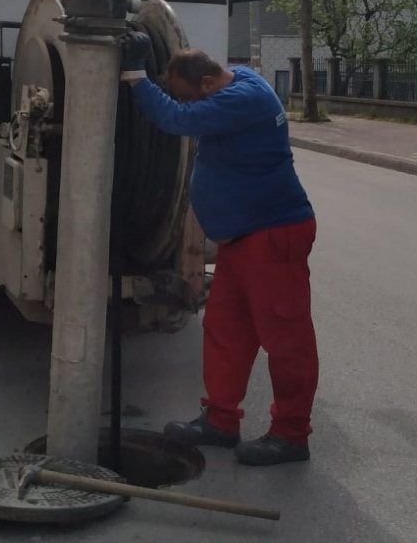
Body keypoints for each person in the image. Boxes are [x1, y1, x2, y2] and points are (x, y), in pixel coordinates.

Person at [120, 39, 318, 467]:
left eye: (190, 96)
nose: (187, 105)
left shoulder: (243, 97)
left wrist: (135, 75)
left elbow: (175, 120)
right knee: (226, 329)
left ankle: (291, 434)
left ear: (208, 83)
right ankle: (221, 421)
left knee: (286, 339)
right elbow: (186, 108)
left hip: (272, 233)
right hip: (241, 237)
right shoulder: (237, 79)